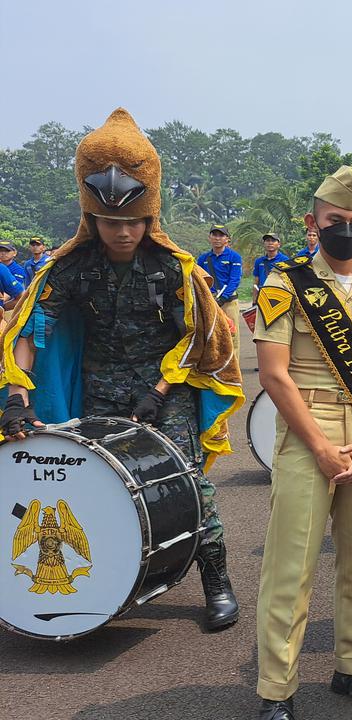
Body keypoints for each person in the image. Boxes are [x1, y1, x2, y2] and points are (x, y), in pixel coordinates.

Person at [0, 107, 244, 634]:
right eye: (112, 221)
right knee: (96, 488)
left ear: (148, 218)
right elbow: (31, 328)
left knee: (190, 484)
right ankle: (110, 583)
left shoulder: (172, 268)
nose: (124, 231)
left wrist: (157, 390)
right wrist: (16, 393)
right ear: (93, 219)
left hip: (165, 388)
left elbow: (199, 337)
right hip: (98, 387)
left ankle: (217, 583)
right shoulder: (67, 268)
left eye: (133, 221)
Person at [253, 165, 352, 720]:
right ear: (313, 223)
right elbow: (274, 374)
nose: (347, 229)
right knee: (290, 569)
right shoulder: (284, 283)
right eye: (335, 220)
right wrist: (319, 446)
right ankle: (276, 690)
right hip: (307, 439)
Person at [197, 224, 243, 359]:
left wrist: (223, 297)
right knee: (211, 334)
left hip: (228, 301)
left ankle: (234, 369)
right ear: (209, 237)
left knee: (231, 334)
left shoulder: (234, 257)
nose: (217, 238)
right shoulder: (203, 259)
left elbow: (234, 279)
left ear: (227, 239)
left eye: (221, 235)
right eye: (214, 235)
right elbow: (199, 279)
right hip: (209, 300)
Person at [252, 233, 285, 303]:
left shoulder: (284, 260)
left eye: (273, 241)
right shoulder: (259, 261)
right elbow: (256, 282)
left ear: (279, 244)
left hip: (279, 296)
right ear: (264, 244)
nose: (270, 243)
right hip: (262, 296)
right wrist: (254, 300)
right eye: (267, 240)